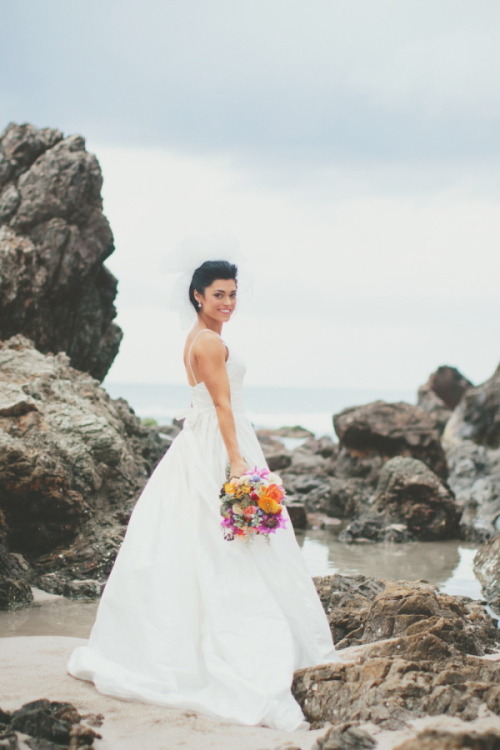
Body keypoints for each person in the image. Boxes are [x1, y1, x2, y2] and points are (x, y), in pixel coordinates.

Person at [68, 260, 337, 731]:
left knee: (196, 542)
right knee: (232, 546)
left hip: (201, 440)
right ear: (198, 296)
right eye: (219, 295)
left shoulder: (195, 336)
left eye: (232, 294)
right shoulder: (209, 341)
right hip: (218, 443)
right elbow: (221, 403)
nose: (228, 303)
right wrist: (237, 462)